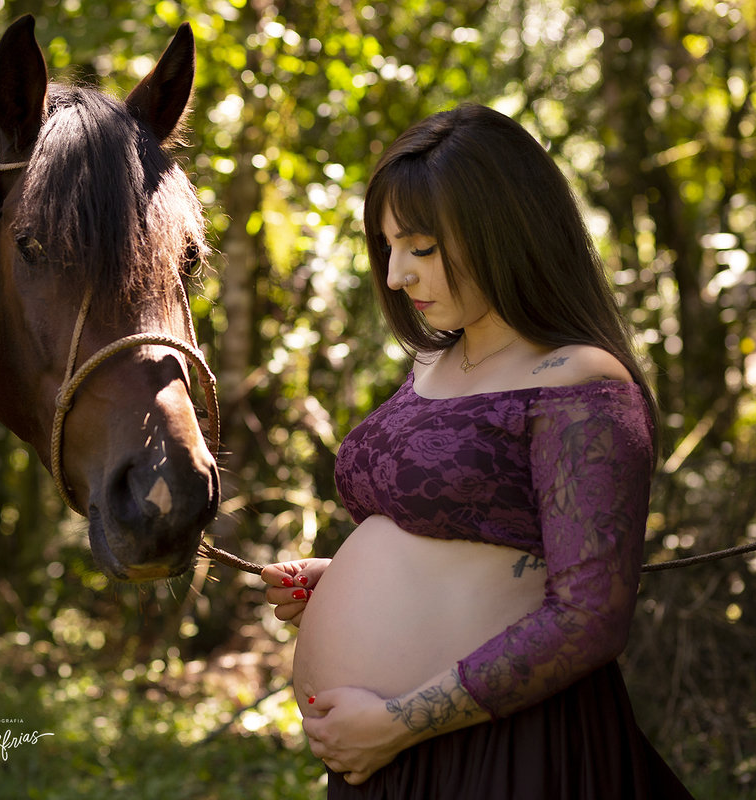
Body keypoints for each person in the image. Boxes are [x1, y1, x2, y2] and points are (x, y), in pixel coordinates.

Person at [261, 103, 694, 799]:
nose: (398, 275)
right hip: (388, 757)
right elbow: (451, 538)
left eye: (421, 248)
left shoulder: (579, 384)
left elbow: (589, 619)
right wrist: (337, 577)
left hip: (502, 752)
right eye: (387, 247)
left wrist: (401, 720)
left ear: (504, 232)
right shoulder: (431, 365)